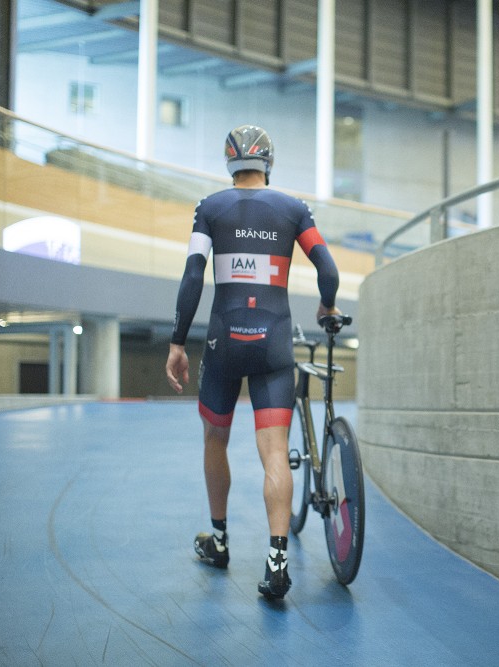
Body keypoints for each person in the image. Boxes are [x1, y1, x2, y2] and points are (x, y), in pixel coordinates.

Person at [165, 124, 340, 600]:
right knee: (275, 451)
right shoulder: (293, 209)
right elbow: (328, 270)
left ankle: (219, 542)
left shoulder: (211, 208)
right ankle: (277, 562)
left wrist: (178, 342)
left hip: (225, 341)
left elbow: (192, 277)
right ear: (270, 163)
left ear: (230, 163)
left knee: (214, 437)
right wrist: (327, 306)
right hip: (273, 344)